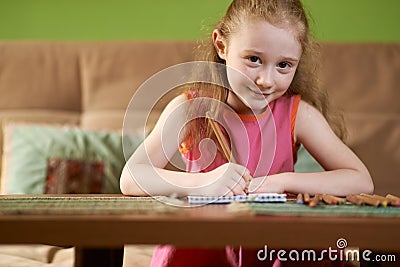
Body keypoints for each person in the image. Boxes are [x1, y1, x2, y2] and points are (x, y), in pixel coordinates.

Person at [120, 0, 374, 266]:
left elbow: (360, 179)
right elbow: (132, 177)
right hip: (198, 250)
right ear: (221, 46)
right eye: (254, 59)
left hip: (270, 250)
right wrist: (205, 183)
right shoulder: (189, 109)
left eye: (284, 65)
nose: (266, 80)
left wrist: (281, 182)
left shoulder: (298, 115)